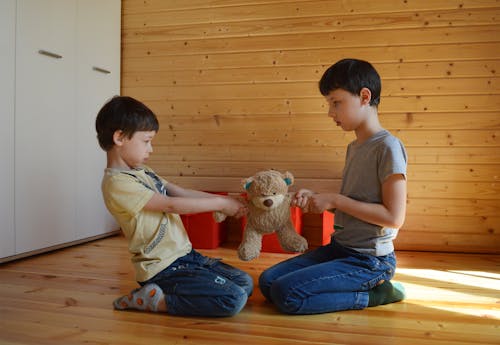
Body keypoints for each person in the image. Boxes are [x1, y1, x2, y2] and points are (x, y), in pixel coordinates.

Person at [259, 58, 407, 314]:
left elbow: (394, 218)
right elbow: (357, 204)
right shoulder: (354, 147)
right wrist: (320, 199)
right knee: (267, 282)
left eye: (336, 102)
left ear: (364, 96)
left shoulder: (388, 147)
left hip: (370, 260)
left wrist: (335, 200)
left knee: (287, 294)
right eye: (329, 104)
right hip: (340, 248)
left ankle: (374, 295)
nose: (331, 113)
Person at [95, 96, 253, 317]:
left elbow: (179, 192)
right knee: (232, 298)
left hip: (186, 257)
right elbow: (171, 205)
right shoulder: (117, 183)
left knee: (244, 283)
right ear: (120, 137)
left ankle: (165, 293)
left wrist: (226, 201)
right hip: (162, 268)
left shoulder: (142, 172)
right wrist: (220, 203)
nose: (151, 149)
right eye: (146, 141)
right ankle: (157, 301)